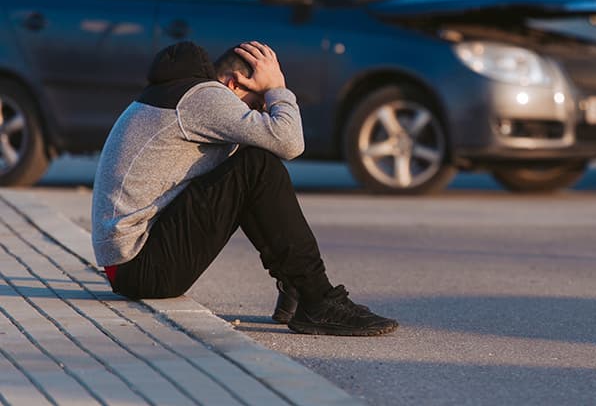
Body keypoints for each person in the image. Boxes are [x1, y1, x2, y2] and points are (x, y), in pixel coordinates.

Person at [91, 40, 398, 336]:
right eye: (255, 105)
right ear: (234, 84)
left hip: (131, 264)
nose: (258, 114)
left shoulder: (179, 94)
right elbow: (290, 143)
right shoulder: (205, 97)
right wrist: (277, 89)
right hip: (141, 267)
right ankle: (317, 299)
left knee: (249, 161)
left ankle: (297, 287)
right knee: (257, 165)